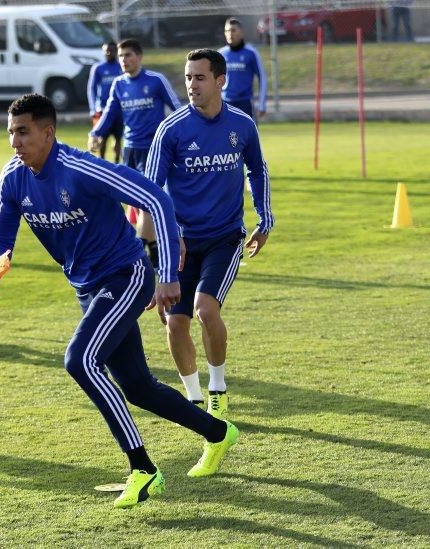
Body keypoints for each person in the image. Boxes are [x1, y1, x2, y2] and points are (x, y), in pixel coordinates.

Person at [0, 93, 239, 509]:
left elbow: (156, 198)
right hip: (89, 288)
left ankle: (143, 469)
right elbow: (1, 234)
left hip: (127, 276)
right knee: (138, 387)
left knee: (79, 360)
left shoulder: (80, 168)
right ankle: (219, 433)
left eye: (23, 132)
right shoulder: (12, 178)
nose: (15, 142)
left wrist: (167, 275)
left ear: (49, 131)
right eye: (10, 133)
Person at [145, 49, 274, 417]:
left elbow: (258, 171)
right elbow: (151, 193)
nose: (191, 85)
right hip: (181, 241)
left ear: (221, 81)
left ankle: (217, 388)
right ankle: (194, 399)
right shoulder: (171, 129)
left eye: (199, 77)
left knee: (204, 309)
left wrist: (265, 220)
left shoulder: (242, 125)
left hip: (225, 236)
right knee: (175, 321)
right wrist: (170, 238)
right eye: (187, 77)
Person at [89, 38, 182, 270]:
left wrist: (187, 133)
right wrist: (96, 132)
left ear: (139, 57)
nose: (124, 60)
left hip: (153, 149)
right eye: (121, 56)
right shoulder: (119, 84)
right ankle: (154, 252)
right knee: (137, 203)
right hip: (130, 150)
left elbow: (177, 108)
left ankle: (140, 251)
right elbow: (110, 112)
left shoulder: (156, 80)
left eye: (128, 55)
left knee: (148, 199)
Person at [219, 18, 267, 121]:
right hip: (225, 104)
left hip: (245, 104)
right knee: (224, 136)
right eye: (227, 31)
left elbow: (262, 78)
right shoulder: (220, 54)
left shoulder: (251, 53)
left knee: (248, 136)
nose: (230, 34)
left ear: (241, 33)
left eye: (233, 30)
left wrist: (262, 104)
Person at [86, 41, 123, 163]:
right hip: (102, 110)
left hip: (118, 110)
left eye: (111, 50)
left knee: (118, 138)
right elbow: (91, 88)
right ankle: (102, 163)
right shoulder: (98, 68)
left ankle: (117, 162)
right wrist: (93, 108)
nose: (108, 52)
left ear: (116, 52)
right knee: (102, 138)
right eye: (106, 50)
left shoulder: (121, 67)